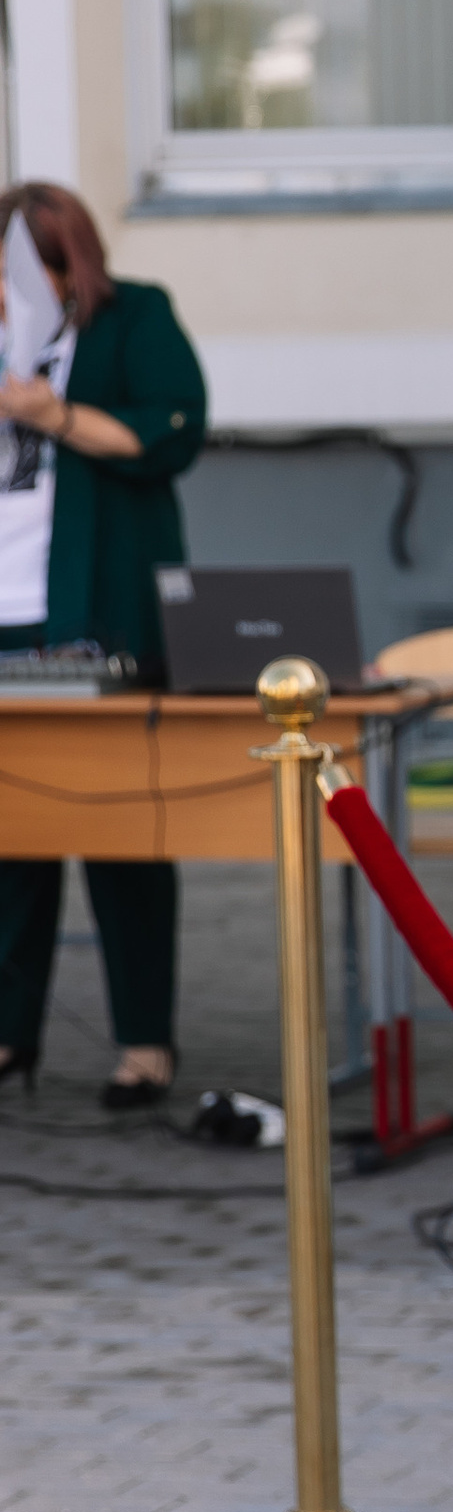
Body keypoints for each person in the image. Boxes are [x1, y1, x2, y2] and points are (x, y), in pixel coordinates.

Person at [0, 181, 208, 1105]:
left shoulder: (135, 320)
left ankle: (144, 1044)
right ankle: (11, 1039)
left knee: (122, 830)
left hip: (96, 611)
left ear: (65, 264)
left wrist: (51, 415)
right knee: (13, 835)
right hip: (7, 605)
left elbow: (172, 434)